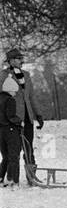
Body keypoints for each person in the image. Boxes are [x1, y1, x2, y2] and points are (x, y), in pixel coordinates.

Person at [3, 49, 44, 186]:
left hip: (27, 117)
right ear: (11, 61)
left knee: (29, 147)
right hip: (12, 118)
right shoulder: (3, 76)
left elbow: (31, 96)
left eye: (22, 58)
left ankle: (31, 177)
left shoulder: (26, 75)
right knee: (13, 150)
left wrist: (38, 114)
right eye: (19, 58)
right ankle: (11, 177)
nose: (22, 61)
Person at [1, 75, 23, 187]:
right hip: (10, 130)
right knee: (13, 156)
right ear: (10, 89)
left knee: (5, 156)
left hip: (0, 131)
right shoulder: (10, 100)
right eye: (14, 91)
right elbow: (11, 116)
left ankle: (1, 178)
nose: (15, 93)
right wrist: (19, 122)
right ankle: (12, 179)